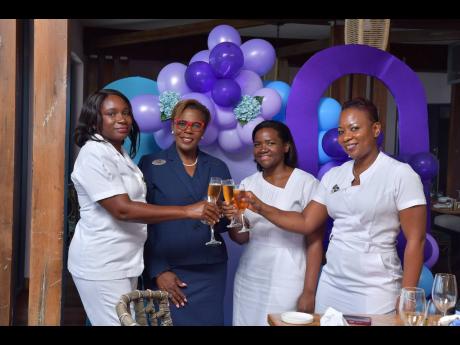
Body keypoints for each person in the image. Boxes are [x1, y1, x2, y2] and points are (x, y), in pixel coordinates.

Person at [243, 98, 427, 315]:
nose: (346, 137)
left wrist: (408, 296)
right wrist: (260, 206)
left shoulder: (400, 174)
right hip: (332, 284)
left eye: (355, 128)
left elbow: (416, 240)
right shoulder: (333, 176)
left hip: (378, 287)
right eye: (341, 130)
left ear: (376, 129)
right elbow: (305, 222)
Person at [68, 89, 219, 326]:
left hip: (125, 262)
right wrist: (187, 211)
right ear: (95, 119)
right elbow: (123, 209)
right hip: (102, 263)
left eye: (126, 113)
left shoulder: (118, 153)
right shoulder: (93, 154)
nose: (122, 119)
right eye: (111, 113)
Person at [139, 99, 232, 326]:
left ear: (203, 130)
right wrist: (158, 270)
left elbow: (223, 223)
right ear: (173, 125)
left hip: (209, 270)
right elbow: (141, 221)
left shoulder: (218, 167)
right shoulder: (150, 164)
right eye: (182, 123)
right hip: (167, 267)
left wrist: (227, 215)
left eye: (196, 125)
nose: (187, 131)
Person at [222, 120, 324, 325]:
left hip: (290, 277)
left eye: (270, 143)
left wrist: (309, 292)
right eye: (257, 144)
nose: (262, 149)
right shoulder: (247, 184)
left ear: (286, 147)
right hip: (250, 275)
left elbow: (315, 242)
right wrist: (233, 217)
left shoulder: (306, 183)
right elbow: (241, 238)